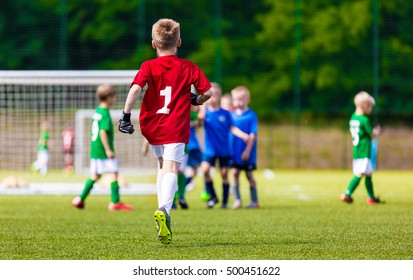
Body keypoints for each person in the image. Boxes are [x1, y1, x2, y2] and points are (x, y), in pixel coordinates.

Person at [118, 18, 212, 245]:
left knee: (162, 165)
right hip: (175, 125)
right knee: (172, 168)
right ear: (178, 41)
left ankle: (162, 211)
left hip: (151, 124)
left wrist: (125, 116)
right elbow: (207, 93)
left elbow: (134, 90)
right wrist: (196, 100)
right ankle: (165, 211)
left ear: (153, 44)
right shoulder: (188, 67)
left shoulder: (148, 67)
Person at [72, 84, 133, 212]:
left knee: (95, 175)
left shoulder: (97, 111)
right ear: (109, 98)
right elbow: (102, 132)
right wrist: (108, 149)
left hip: (95, 149)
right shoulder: (105, 113)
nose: (114, 99)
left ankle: (80, 198)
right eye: (113, 97)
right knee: (114, 173)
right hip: (104, 150)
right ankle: (115, 202)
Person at [198, 82, 249, 209]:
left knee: (225, 174)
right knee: (204, 170)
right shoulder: (206, 112)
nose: (213, 98)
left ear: (219, 96)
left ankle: (225, 202)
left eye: (215, 95)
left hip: (223, 149)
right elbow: (199, 120)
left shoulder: (225, 113)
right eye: (211, 95)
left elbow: (232, 127)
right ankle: (213, 196)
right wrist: (203, 107)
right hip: (210, 149)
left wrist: (242, 135)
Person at [341, 91, 382, 205]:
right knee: (359, 174)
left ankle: (371, 197)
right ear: (364, 105)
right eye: (370, 106)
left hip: (357, 150)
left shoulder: (353, 117)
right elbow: (371, 134)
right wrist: (377, 131)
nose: (371, 109)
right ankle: (347, 194)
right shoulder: (364, 119)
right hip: (364, 150)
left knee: (368, 174)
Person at [230, 86, 259, 209]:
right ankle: (237, 200)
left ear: (248, 100)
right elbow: (231, 128)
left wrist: (247, 151)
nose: (238, 102)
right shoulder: (231, 115)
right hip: (234, 152)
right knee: (234, 173)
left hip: (247, 152)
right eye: (236, 99)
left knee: (249, 174)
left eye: (241, 99)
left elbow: (253, 136)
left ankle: (254, 200)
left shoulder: (251, 115)